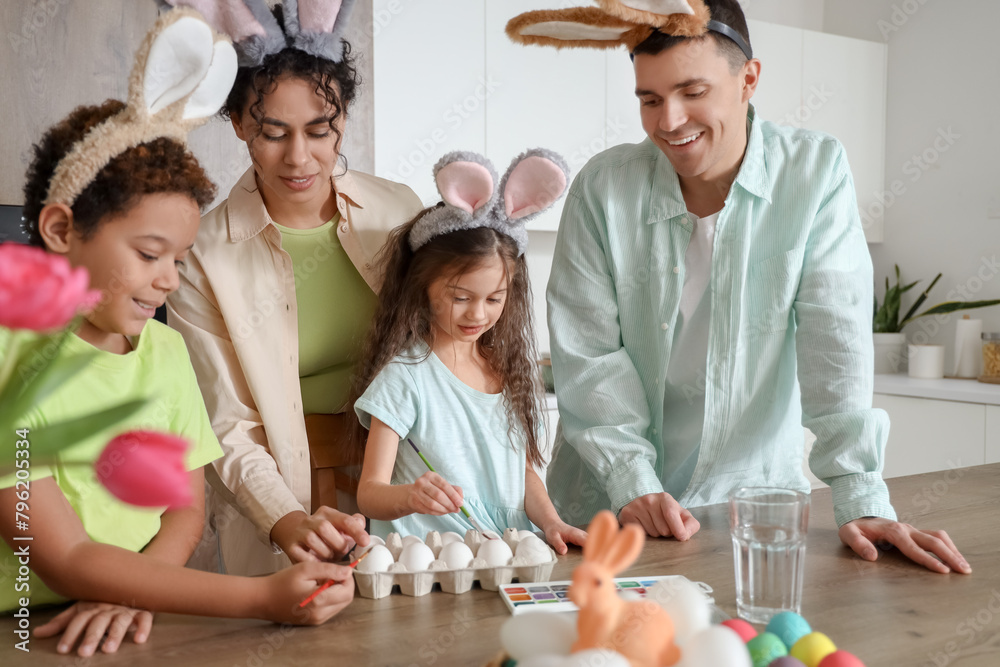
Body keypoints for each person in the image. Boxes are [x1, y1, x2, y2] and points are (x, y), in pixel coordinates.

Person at [507, 0, 970, 574]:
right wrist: (631, 482)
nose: (669, 120)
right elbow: (591, 357)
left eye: (692, 92)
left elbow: (836, 346)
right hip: (605, 512)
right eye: (649, 100)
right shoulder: (604, 188)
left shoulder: (814, 173)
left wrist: (862, 496)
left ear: (748, 78)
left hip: (748, 515)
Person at [0, 10, 355, 658]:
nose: (168, 280)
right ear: (58, 231)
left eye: (179, 256)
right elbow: (64, 557)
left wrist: (137, 588)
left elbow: (183, 511)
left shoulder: (162, 351)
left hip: (131, 616)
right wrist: (263, 598)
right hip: (33, 626)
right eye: (149, 252)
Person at [165, 1, 420, 576]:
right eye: (273, 133)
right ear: (238, 125)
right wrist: (286, 520)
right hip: (278, 495)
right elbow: (225, 422)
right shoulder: (201, 253)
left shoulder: (399, 211)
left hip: (405, 487)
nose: (300, 158)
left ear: (344, 119)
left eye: (319, 130)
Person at [351, 150, 587, 553]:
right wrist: (409, 495)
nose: (478, 314)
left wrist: (551, 523)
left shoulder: (507, 370)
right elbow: (369, 493)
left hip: (507, 553)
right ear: (422, 285)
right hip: (432, 560)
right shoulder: (406, 377)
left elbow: (523, 473)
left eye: (495, 298)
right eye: (461, 297)